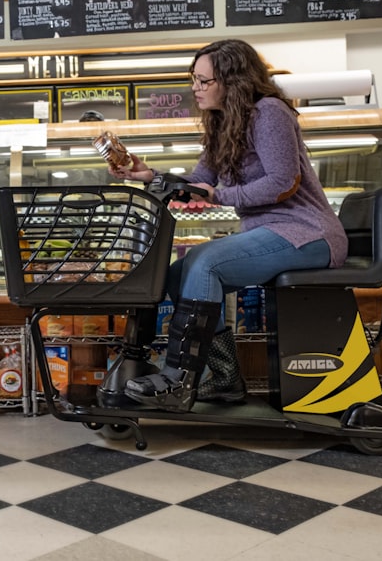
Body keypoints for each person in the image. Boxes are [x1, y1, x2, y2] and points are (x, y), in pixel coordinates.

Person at [107, 39, 348, 411]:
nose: (195, 88)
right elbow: (198, 182)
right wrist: (148, 175)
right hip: (271, 234)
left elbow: (283, 181)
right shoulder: (222, 123)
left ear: (233, 81)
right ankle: (225, 379)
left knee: (207, 263)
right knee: (176, 274)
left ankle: (177, 380)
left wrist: (219, 195)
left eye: (204, 81)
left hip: (307, 233)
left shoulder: (269, 112)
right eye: (194, 80)